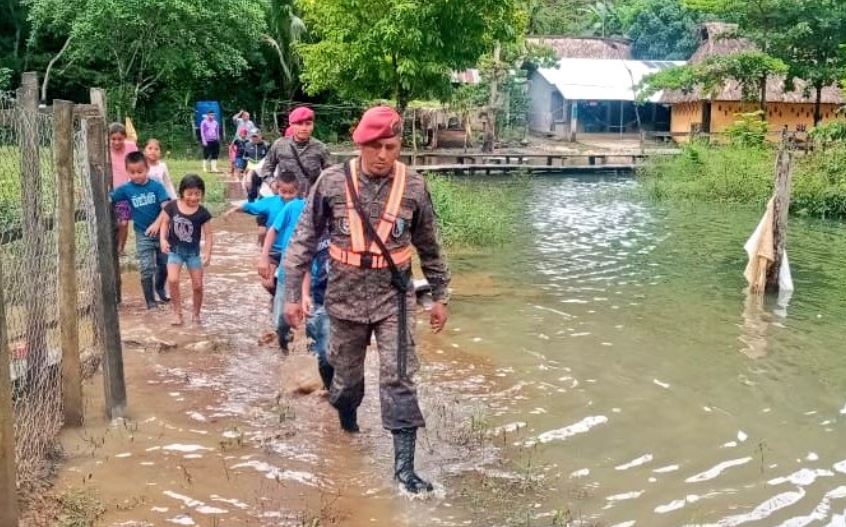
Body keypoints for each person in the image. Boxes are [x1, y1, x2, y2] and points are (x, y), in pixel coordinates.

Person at [283, 106, 450, 494]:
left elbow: (430, 246)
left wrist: (440, 295)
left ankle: (405, 470)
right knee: (347, 382)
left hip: (396, 299)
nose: (382, 156)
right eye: (374, 147)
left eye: (390, 147)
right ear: (359, 144)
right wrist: (292, 294)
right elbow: (303, 241)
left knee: (399, 377)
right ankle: (346, 421)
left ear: (399, 146)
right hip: (343, 299)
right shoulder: (330, 182)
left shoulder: (414, 187)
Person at [110, 151, 171, 309]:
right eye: (132, 172)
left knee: (164, 263)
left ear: (147, 169)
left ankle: (159, 288)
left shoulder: (156, 186)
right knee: (146, 267)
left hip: (162, 233)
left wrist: (157, 224)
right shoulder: (125, 189)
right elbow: (111, 197)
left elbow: (167, 208)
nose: (136, 175)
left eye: (140, 171)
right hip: (142, 233)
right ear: (127, 171)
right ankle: (150, 302)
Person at [259, 172, 306, 352]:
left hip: (315, 274)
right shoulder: (294, 207)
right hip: (289, 269)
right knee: (281, 320)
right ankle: (282, 354)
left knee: (314, 322)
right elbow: (272, 230)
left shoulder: (329, 212)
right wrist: (264, 256)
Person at [160, 175, 213, 326]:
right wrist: (163, 240)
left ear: (202, 193)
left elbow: (209, 234)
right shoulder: (172, 206)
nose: (193, 197)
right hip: (174, 251)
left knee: (197, 285)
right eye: (189, 193)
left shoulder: (203, 212)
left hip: (193, 254)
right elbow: (164, 223)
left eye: (197, 193)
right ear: (182, 193)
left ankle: (196, 314)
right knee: (173, 279)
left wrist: (208, 253)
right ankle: (177, 313)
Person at [223, 170, 297, 254]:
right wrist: (233, 210)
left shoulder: (302, 205)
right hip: (273, 251)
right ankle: (260, 249)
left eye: (291, 192)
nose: (287, 196)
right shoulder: (270, 202)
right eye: (283, 192)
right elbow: (251, 206)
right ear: (277, 189)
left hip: (292, 252)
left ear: (297, 190)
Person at [262, 106, 330, 196]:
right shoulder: (279, 145)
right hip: (286, 198)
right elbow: (266, 169)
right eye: (299, 124)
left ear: (313, 125)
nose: (304, 128)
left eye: (308, 124)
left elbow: (330, 173)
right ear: (291, 125)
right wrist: (273, 183)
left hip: (311, 200)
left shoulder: (320, 147)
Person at [302, 231, 332, 389]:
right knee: (322, 351)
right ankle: (327, 388)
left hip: (350, 301)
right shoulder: (318, 231)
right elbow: (305, 264)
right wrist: (305, 294)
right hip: (320, 298)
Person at [109, 122, 138, 256]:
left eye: (120, 139)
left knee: (124, 222)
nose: (116, 142)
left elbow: (138, 163)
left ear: (124, 138)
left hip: (125, 192)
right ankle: (111, 247)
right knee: (110, 221)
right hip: (109, 190)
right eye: (113, 139)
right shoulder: (104, 148)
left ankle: (120, 248)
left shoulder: (131, 147)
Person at [241, 129, 270, 202]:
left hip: (263, 169)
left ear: (260, 136)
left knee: (264, 185)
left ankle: (262, 200)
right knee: (249, 182)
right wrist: (243, 170)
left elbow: (270, 158)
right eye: (253, 137)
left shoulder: (266, 145)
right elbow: (245, 158)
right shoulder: (247, 145)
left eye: (256, 136)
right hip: (251, 168)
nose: (254, 138)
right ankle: (251, 199)